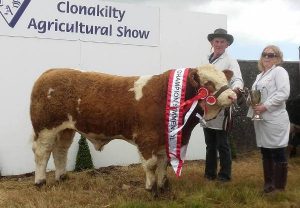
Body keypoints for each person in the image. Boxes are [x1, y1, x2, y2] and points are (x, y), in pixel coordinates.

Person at [203, 28, 244, 182]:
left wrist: (235, 91)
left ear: (227, 44)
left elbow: (237, 79)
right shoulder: (206, 60)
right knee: (209, 143)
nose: (218, 44)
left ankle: (225, 175)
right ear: (212, 43)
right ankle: (209, 173)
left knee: (222, 143)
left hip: (222, 107)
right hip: (208, 106)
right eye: (216, 41)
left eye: (222, 41)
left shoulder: (230, 61)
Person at [248, 45, 290, 193]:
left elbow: (284, 93)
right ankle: (268, 184)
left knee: (278, 150)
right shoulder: (260, 75)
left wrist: (265, 106)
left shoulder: (279, 71)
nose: (266, 57)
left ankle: (279, 187)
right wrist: (249, 100)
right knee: (265, 151)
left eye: (271, 55)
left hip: (274, 117)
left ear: (277, 58)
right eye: (264, 54)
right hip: (261, 118)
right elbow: (256, 95)